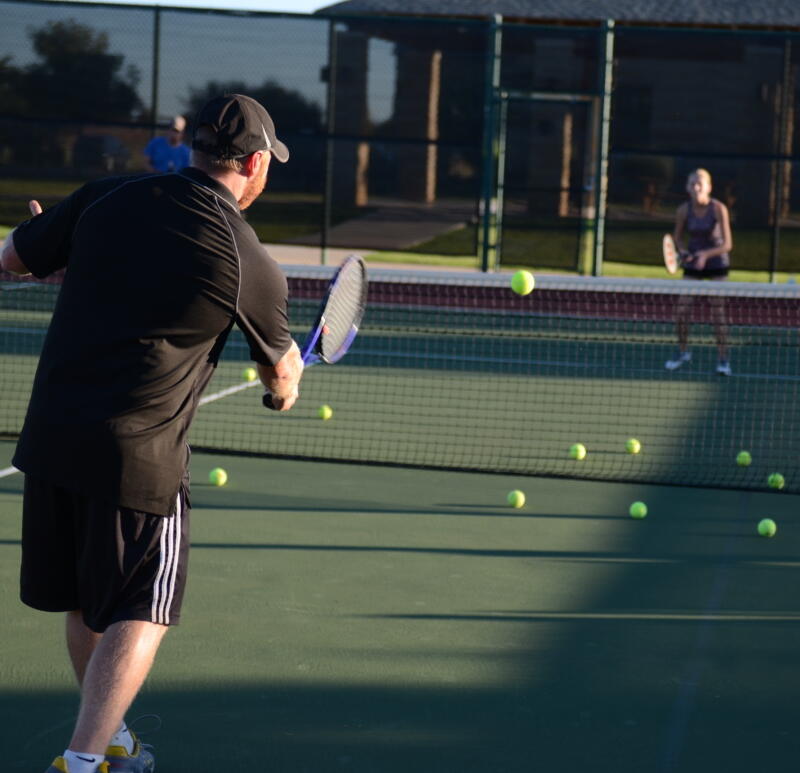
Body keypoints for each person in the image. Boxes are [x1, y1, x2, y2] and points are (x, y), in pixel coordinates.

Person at [0, 93, 304, 773]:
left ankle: (111, 741)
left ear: (194, 148)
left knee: (85, 601)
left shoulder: (107, 195)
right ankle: (82, 762)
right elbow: (280, 374)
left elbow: (12, 261)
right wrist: (284, 389)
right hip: (137, 458)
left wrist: (73, 254)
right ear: (255, 164)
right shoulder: (249, 259)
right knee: (146, 606)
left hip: (48, 440)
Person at [664, 168, 734, 376]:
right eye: (692, 184)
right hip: (693, 264)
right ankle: (683, 352)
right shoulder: (683, 210)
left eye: (700, 184)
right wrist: (684, 252)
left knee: (717, 313)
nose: (696, 187)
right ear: (687, 188)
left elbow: (728, 244)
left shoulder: (719, 209)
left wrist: (705, 255)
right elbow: (677, 238)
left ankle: (723, 359)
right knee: (682, 311)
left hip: (717, 263)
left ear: (708, 187)